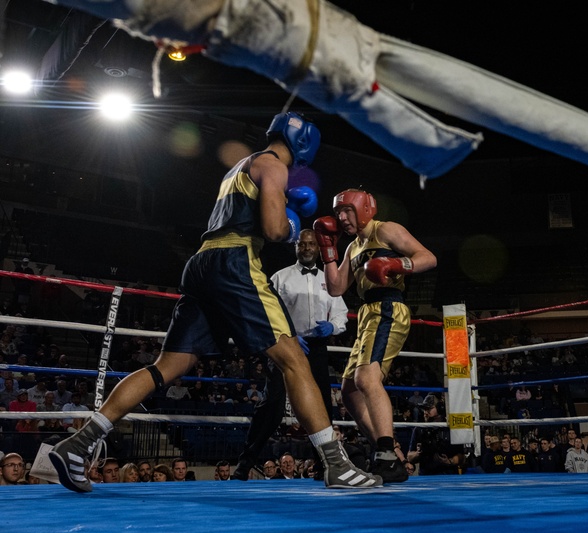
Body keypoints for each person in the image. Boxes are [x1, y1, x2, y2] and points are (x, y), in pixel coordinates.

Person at [47, 112, 381, 493]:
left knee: (168, 366)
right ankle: (336, 465)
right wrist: (292, 223)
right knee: (295, 360)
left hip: (202, 262)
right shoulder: (274, 166)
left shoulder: (240, 168)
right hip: (235, 261)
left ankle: (79, 442)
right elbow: (273, 230)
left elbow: (247, 213)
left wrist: (283, 203)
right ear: (306, 145)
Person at [314, 188, 437, 483]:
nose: (342, 218)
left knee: (366, 379)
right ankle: (389, 452)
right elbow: (336, 288)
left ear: (363, 208)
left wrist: (397, 264)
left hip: (389, 306)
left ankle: (385, 455)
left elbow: (428, 258)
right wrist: (328, 249)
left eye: (347, 211)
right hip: (368, 313)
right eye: (339, 212)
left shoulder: (387, 230)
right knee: (349, 391)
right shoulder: (353, 247)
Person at [233, 229, 349, 481]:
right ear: (295, 247)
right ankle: (245, 464)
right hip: (285, 344)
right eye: (302, 244)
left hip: (316, 347)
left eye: (311, 244)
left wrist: (333, 326)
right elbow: (268, 312)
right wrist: (290, 335)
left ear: (318, 249)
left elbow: (340, 313)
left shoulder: (329, 279)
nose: (306, 248)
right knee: (272, 405)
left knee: (322, 406)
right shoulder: (280, 278)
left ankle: (324, 465)